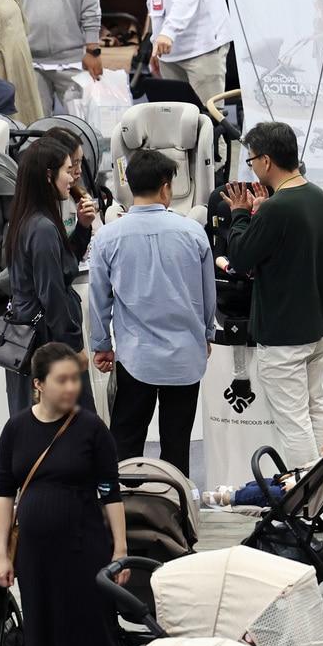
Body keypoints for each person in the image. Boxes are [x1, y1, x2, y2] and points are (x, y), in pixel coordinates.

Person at [0, 342, 137, 646]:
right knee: (47, 638)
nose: (72, 386)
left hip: (85, 547)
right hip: (35, 555)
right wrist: (2, 553)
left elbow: (110, 492)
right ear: (38, 385)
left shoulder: (92, 428)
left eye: (76, 378)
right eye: (63, 379)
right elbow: (4, 494)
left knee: (99, 636)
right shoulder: (16, 429)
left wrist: (121, 549)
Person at [90, 149, 216, 477]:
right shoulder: (193, 232)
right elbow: (207, 294)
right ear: (165, 187)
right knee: (177, 444)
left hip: (135, 358)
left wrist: (102, 344)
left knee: (126, 442)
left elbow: (99, 299)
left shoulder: (108, 236)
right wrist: (206, 335)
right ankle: (175, 512)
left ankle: (122, 512)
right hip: (184, 358)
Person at [221, 122, 323, 468]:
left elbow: (241, 258)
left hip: (285, 334)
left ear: (267, 161)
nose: (252, 167)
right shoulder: (316, 196)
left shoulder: (277, 208)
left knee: (293, 423)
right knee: (317, 411)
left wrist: (240, 215)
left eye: (252, 160)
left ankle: (304, 499)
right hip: (318, 327)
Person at [4, 138, 91, 414]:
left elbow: (62, 268)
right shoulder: (42, 227)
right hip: (48, 342)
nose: (72, 177)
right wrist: (74, 347)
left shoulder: (28, 219)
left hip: (37, 337)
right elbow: (52, 294)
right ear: (48, 175)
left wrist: (83, 228)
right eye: (67, 170)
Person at [203, 423, 323, 507]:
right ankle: (238, 490)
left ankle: (229, 498)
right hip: (290, 485)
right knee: (264, 482)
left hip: (292, 494)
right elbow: (306, 471)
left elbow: (312, 481)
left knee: (260, 492)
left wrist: (297, 486)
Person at [39, 125, 98, 258]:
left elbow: (73, 255)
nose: (79, 171)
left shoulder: (76, 196)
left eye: (80, 162)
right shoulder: (39, 217)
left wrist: (84, 225)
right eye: (73, 164)